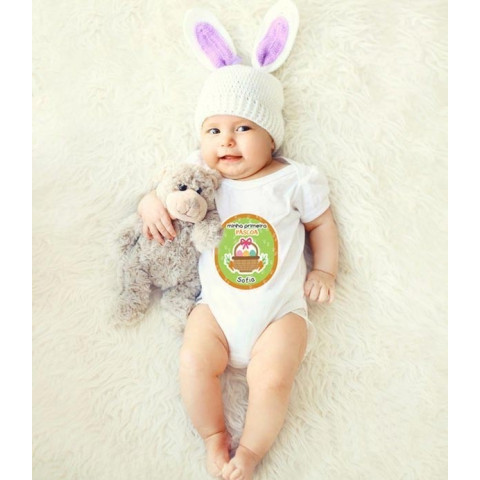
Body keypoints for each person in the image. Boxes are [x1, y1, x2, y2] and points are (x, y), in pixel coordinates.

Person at [137, 4, 339, 480]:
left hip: (279, 315)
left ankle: (248, 452)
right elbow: (166, 189)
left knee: (273, 379)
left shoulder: (294, 179)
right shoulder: (201, 174)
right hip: (216, 311)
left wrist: (324, 269)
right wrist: (149, 203)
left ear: (271, 137)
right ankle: (213, 437)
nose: (226, 141)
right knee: (193, 360)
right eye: (214, 130)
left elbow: (322, 226)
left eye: (243, 128)